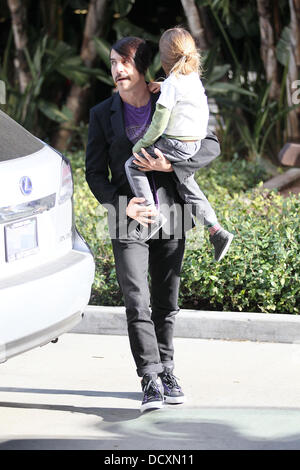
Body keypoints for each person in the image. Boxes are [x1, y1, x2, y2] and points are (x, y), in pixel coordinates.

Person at [85, 35, 221, 413]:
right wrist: (121, 207)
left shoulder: (171, 96)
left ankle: (168, 370)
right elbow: (94, 173)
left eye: (123, 63)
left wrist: (172, 165)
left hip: (173, 215)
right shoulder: (101, 113)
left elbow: (210, 144)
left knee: (167, 303)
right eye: (112, 63)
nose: (116, 70)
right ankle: (149, 378)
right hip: (128, 219)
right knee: (136, 301)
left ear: (142, 67)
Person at [125, 27, 233, 261]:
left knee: (133, 165)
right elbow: (180, 91)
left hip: (176, 144)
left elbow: (158, 124)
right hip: (194, 143)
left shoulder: (172, 85)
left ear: (163, 59)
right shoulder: (191, 78)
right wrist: (163, 86)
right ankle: (216, 230)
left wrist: (142, 145)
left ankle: (151, 217)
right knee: (185, 181)